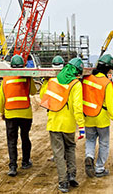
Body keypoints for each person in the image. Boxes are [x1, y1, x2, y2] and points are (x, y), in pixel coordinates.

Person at [40, 57, 85, 193]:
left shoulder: (53, 81)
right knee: (70, 148)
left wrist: (44, 83)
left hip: (54, 123)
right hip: (69, 125)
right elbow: (77, 107)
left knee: (58, 153)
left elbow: (43, 97)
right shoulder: (76, 84)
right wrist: (81, 126)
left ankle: (63, 182)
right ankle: (72, 175)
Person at [82, 54, 113, 178]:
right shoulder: (106, 83)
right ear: (108, 69)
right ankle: (99, 168)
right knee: (103, 143)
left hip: (88, 117)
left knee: (90, 140)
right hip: (102, 118)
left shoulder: (86, 79)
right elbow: (110, 105)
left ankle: (89, 157)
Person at [0, 55, 37, 177]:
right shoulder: (26, 76)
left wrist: (2, 112)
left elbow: (2, 98)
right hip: (25, 113)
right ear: (23, 66)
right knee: (25, 137)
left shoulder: (6, 79)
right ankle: (25, 162)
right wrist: (29, 79)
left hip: (10, 113)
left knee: (11, 140)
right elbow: (33, 92)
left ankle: (13, 166)